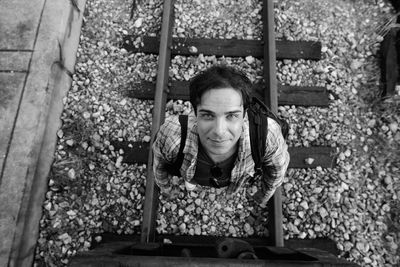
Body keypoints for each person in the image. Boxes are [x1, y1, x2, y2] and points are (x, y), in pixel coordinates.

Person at [152, 65, 290, 207]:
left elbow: (276, 171)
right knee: (189, 178)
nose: (219, 131)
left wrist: (264, 195)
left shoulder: (268, 136)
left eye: (231, 115)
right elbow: (159, 167)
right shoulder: (171, 135)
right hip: (192, 173)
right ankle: (191, 180)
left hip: (238, 180)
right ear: (194, 113)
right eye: (207, 115)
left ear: (244, 115)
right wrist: (167, 189)